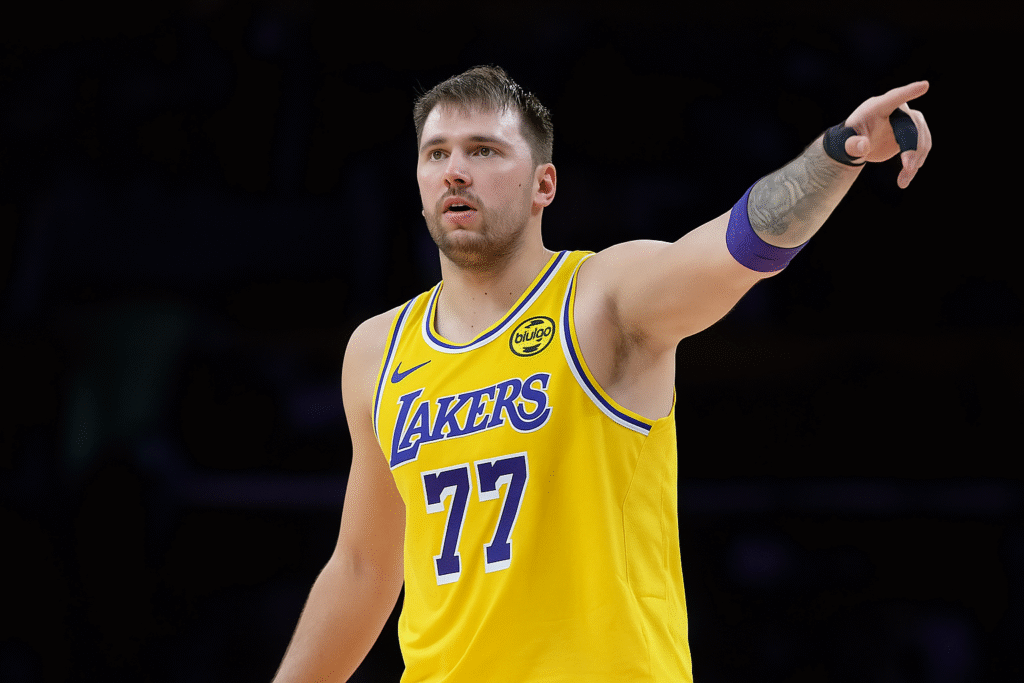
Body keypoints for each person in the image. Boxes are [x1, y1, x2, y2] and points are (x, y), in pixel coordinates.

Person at [272, 65, 931, 682]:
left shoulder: (602, 297)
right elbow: (363, 566)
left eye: (484, 151)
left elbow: (736, 248)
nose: (454, 172)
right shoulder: (377, 349)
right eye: (436, 153)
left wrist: (838, 152)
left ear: (544, 185)